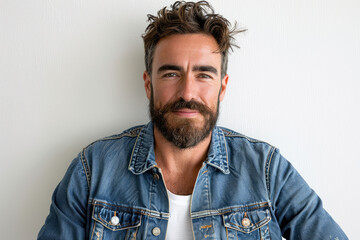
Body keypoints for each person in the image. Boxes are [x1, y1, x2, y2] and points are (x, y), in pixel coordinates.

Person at [38, 1, 348, 239]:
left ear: (222, 87)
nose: (187, 91)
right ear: (148, 84)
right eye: (171, 73)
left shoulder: (267, 170)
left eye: (203, 74)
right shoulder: (93, 170)